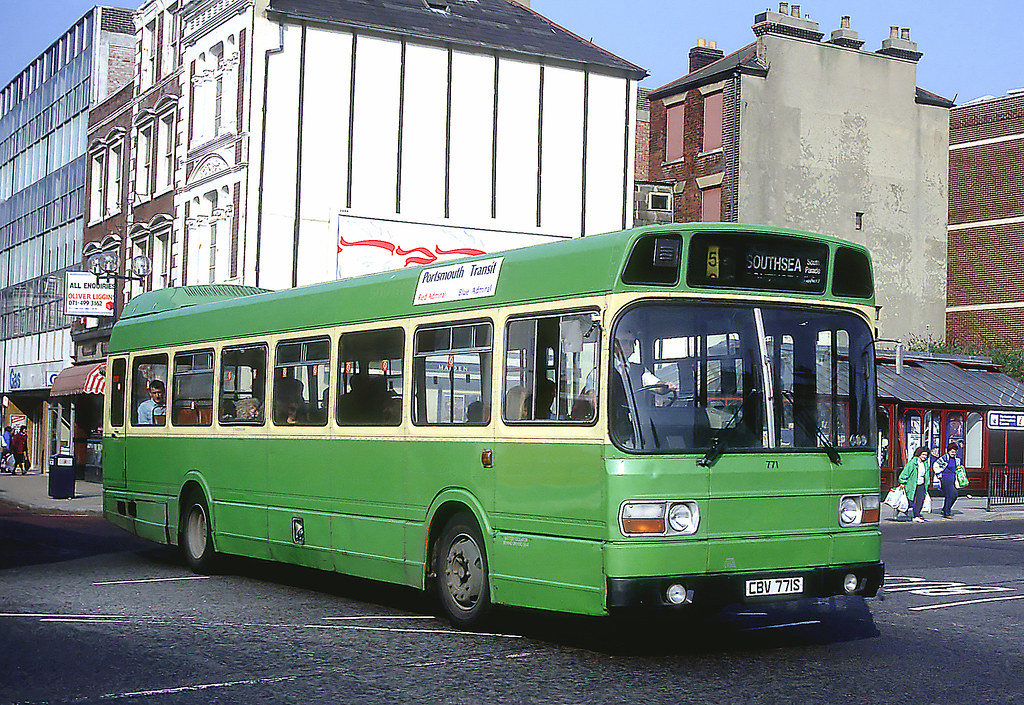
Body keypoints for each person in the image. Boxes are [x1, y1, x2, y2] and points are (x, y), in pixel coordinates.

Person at [898, 446, 931, 522]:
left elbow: (926, 474)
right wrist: (902, 482)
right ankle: (901, 508)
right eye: (923, 454)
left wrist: (927, 483)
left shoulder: (925, 464)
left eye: (926, 455)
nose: (924, 457)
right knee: (910, 500)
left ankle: (916, 515)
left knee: (920, 499)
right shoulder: (913, 462)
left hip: (921, 484)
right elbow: (905, 472)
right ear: (919, 454)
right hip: (912, 484)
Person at [933, 442, 962, 519]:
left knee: (955, 495)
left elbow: (957, 468)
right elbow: (936, 465)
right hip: (945, 479)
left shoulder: (957, 459)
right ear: (948, 451)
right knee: (950, 495)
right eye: (952, 451)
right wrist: (939, 474)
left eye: (955, 452)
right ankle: (947, 512)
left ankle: (945, 509)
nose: (953, 453)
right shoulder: (944, 458)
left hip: (953, 479)